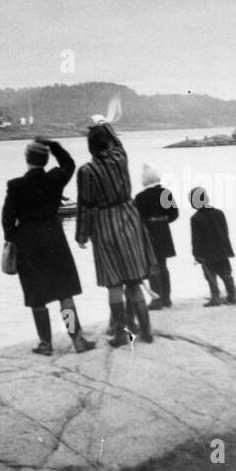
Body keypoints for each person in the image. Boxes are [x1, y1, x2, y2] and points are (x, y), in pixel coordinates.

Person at [2, 136, 96, 356]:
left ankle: (45, 343)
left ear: (27, 159)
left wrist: (14, 237)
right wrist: (54, 146)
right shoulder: (54, 179)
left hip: (28, 241)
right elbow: (69, 164)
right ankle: (78, 340)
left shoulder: (16, 186)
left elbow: (6, 220)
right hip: (54, 238)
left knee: (36, 295)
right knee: (65, 293)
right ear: (45, 160)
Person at [75, 121, 156, 346]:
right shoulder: (121, 157)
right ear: (110, 141)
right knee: (134, 281)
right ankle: (147, 331)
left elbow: (85, 205)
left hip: (104, 225)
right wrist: (105, 125)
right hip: (129, 219)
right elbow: (117, 141)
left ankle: (121, 334)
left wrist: (82, 235)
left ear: (91, 146)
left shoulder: (87, 171)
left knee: (114, 284)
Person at [133, 164, 179, 310]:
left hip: (149, 233)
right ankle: (167, 298)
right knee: (164, 265)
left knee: (153, 266)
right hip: (164, 231)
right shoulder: (165, 193)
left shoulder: (140, 197)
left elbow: (137, 219)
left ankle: (156, 300)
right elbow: (174, 214)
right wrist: (163, 221)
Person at [189, 187, 236, 304]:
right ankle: (232, 295)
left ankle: (215, 297)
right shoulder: (219, 213)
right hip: (222, 250)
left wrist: (196, 254)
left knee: (210, 276)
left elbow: (196, 239)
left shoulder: (195, 218)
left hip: (206, 254)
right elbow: (225, 232)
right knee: (226, 273)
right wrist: (227, 248)